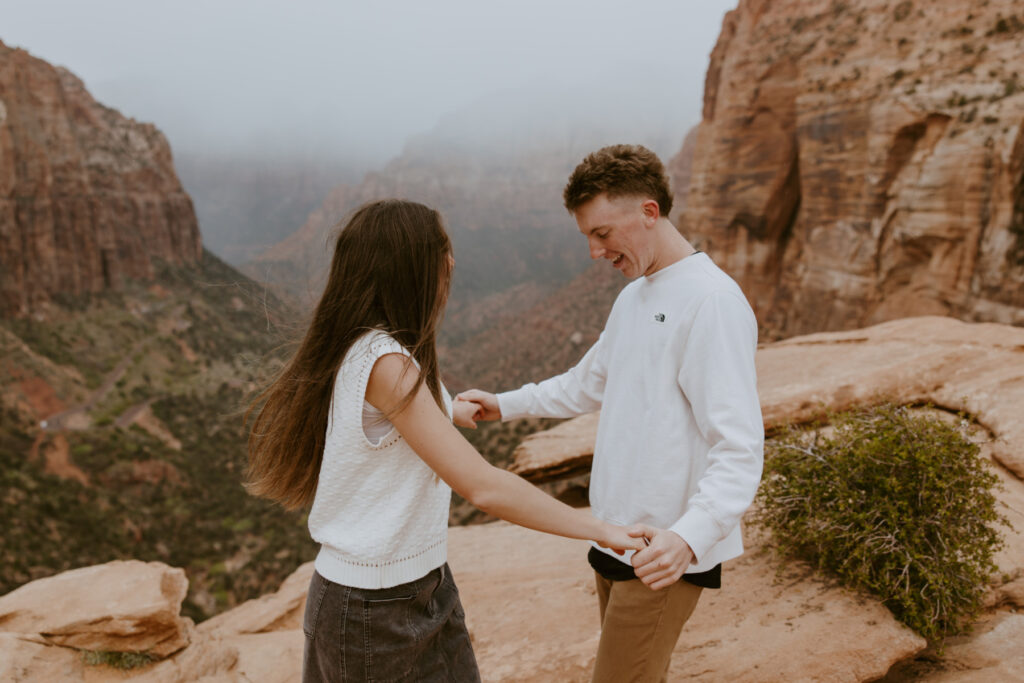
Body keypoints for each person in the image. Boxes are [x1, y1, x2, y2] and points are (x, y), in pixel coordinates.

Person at [245, 199, 644, 683]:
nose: (451, 262)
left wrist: (444, 411)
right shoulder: (385, 362)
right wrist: (601, 530)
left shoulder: (374, 346)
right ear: (408, 265)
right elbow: (483, 487)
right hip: (373, 609)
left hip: (422, 588)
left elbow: (385, 421)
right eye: (442, 250)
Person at [458, 144, 764, 683]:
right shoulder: (635, 296)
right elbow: (586, 384)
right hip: (614, 537)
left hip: (663, 553)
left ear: (649, 212)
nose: (596, 253)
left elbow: (738, 446)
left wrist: (689, 538)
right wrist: (505, 405)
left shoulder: (711, 301)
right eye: (588, 239)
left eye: (602, 234)